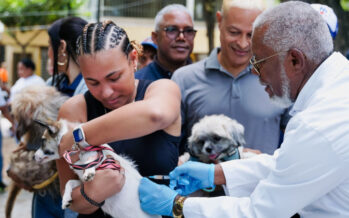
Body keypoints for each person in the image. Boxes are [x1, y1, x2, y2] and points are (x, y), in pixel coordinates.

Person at [138, 1, 349, 217]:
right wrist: (217, 174)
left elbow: (259, 212)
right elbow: (289, 164)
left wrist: (177, 205)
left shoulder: (320, 122)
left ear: (295, 60)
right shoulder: (335, 90)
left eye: (258, 62)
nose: (255, 73)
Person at [56, 20, 181, 217]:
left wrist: (78, 136)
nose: (106, 93)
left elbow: (156, 114)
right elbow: (69, 198)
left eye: (114, 78)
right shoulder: (74, 109)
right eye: (92, 82)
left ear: (133, 59)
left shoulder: (161, 90)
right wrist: (94, 193)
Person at [172, 0, 287, 155]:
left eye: (251, 35)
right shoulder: (184, 79)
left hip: (263, 179)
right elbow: (170, 148)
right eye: (234, 32)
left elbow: (299, 145)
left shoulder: (281, 80)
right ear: (220, 21)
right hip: (201, 179)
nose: (243, 43)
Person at [30, 17, 89, 218]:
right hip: (45, 192)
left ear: (61, 47)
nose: (48, 52)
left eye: (49, 46)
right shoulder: (49, 86)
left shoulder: (90, 92)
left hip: (75, 192)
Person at [135, 4, 196, 80]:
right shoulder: (137, 83)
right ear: (155, 37)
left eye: (188, 31)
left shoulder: (206, 80)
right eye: (172, 30)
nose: (181, 37)